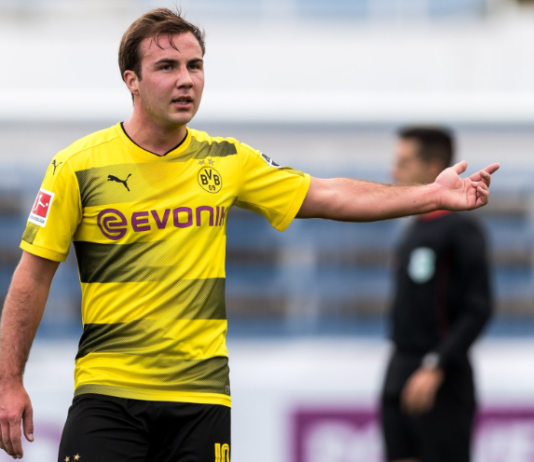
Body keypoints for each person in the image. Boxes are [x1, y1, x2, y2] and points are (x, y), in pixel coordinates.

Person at [0, 9, 498, 462]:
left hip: (202, 399)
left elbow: (329, 195)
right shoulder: (76, 166)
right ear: (131, 80)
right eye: (167, 67)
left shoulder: (227, 159)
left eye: (195, 66)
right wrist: (9, 381)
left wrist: (431, 195)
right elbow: (32, 277)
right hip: (108, 394)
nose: (186, 79)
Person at [380, 127, 493, 462]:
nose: (393, 171)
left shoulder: (461, 228)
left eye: (403, 162)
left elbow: (479, 308)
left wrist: (435, 365)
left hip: (441, 376)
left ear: (432, 167)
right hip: (400, 367)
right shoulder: (413, 227)